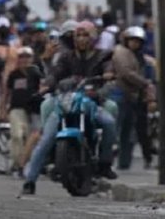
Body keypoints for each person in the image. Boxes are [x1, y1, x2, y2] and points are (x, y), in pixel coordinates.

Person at [22, 21, 118, 195]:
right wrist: (47, 85)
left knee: (109, 122)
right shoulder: (66, 57)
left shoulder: (104, 55)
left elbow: (109, 73)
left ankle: (105, 163)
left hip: (92, 101)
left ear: (94, 37)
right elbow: (56, 74)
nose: (81, 39)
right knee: (46, 138)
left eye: (85, 35)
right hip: (65, 101)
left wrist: (105, 79)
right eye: (78, 36)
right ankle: (30, 180)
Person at [111, 26, 153, 170]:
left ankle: (124, 162)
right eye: (132, 40)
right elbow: (126, 72)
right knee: (116, 129)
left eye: (138, 41)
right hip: (121, 93)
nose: (135, 43)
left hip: (134, 96)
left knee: (129, 132)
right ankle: (106, 161)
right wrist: (144, 82)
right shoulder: (121, 52)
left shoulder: (139, 56)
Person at [4, 47, 45, 177]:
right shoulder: (14, 74)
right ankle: (16, 163)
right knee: (16, 135)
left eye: (27, 57)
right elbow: (7, 93)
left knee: (29, 138)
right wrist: (2, 109)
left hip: (31, 110)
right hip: (16, 109)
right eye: (22, 57)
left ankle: (23, 164)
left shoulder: (36, 74)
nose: (24, 60)